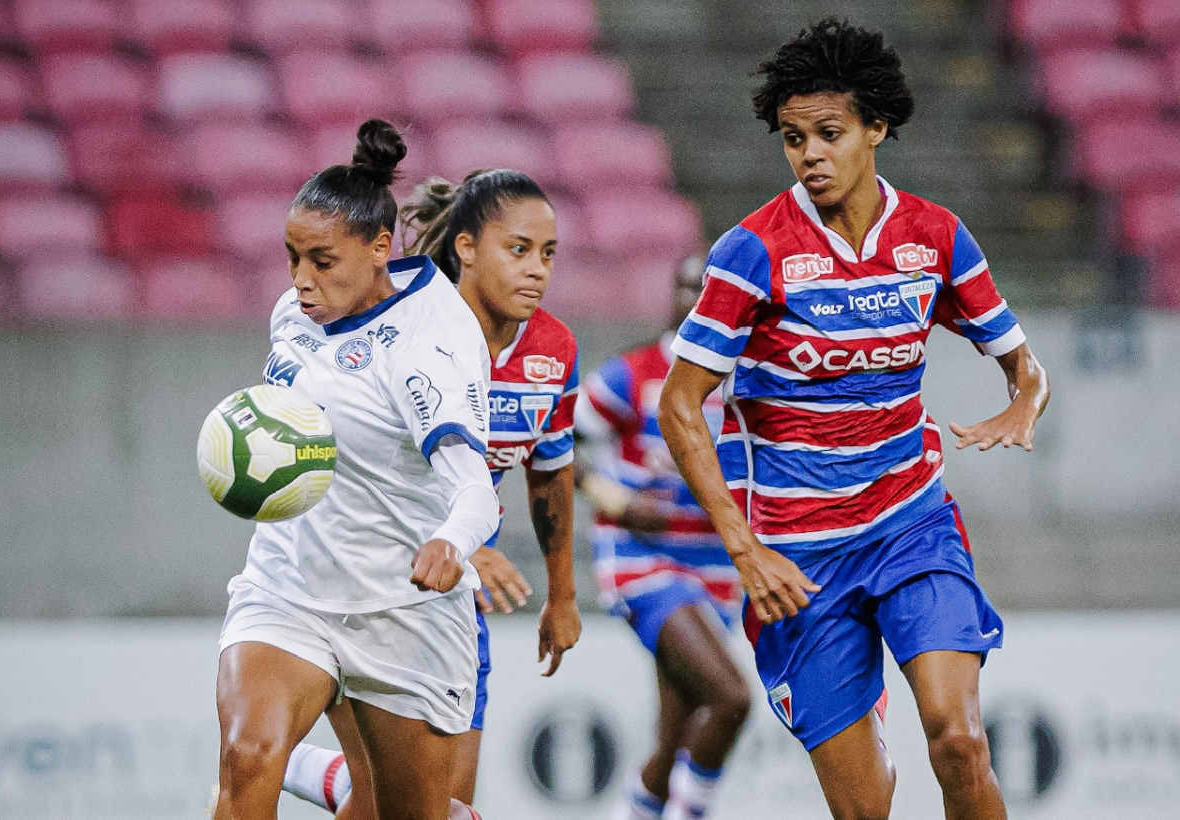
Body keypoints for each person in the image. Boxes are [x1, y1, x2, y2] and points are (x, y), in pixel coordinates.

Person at [657, 19, 1050, 820]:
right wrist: (746, 549)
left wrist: (1021, 403)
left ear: (878, 127)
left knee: (959, 739)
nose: (809, 154)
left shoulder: (935, 238)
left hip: (912, 524)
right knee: (865, 809)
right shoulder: (752, 251)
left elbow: (1021, 361)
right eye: (794, 138)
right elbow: (678, 404)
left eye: (829, 133)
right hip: (800, 564)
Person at [212, 119, 498, 820]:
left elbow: (475, 491)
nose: (301, 281)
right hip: (291, 587)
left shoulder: (430, 346)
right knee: (248, 755)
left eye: (320, 261)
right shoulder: (297, 310)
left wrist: (451, 544)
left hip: (402, 610)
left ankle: (343, 782)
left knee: (404, 811)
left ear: (379, 248)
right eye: (291, 258)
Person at [279, 169, 583, 817]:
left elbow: (550, 474)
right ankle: (311, 769)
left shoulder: (553, 349)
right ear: (467, 249)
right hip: (358, 580)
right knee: (425, 805)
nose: (537, 271)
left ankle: (316, 773)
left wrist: (562, 594)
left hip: (444, 594)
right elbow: (365, 464)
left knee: (433, 806)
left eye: (548, 254)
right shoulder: (412, 328)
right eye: (519, 250)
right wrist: (460, 544)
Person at [573, 253, 751, 820]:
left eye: (706, 287)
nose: (694, 297)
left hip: (718, 568)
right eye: (684, 286)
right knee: (730, 697)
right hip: (643, 561)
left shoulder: (748, 379)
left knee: (678, 729)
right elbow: (558, 446)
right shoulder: (637, 373)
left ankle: (640, 810)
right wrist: (617, 501)